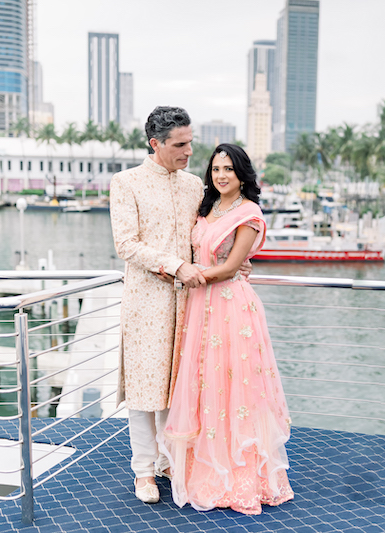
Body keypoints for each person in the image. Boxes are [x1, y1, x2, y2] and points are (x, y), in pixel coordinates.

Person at [160, 144, 294, 515]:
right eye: (216, 169)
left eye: (229, 170)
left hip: (230, 306)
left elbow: (232, 267)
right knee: (205, 386)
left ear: (242, 174)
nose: (221, 176)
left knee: (235, 389)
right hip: (200, 305)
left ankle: (239, 477)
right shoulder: (208, 207)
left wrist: (184, 275)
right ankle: (202, 466)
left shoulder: (249, 213)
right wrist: (180, 269)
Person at [110, 106, 207, 504]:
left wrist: (236, 263)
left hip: (189, 301)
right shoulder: (126, 182)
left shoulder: (194, 185)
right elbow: (126, 244)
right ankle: (144, 472)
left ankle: (171, 460)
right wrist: (174, 266)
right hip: (146, 301)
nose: (188, 151)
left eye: (190, 142)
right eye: (180, 144)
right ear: (156, 144)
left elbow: (205, 235)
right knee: (144, 390)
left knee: (176, 385)